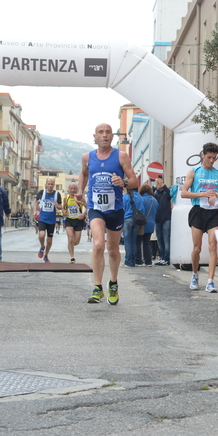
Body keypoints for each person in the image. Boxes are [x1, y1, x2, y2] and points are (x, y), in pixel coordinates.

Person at [77, 123, 138, 305]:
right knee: (97, 245)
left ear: (113, 136)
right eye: (101, 132)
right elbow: (83, 174)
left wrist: (124, 182)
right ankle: (97, 287)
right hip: (96, 208)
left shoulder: (121, 156)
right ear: (94, 136)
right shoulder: (87, 157)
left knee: (112, 250)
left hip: (116, 209)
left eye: (108, 132)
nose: (104, 135)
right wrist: (80, 190)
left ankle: (113, 282)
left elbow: (135, 180)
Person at [180, 142, 218, 293]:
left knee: (213, 245)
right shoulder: (194, 172)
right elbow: (184, 193)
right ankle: (195, 275)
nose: (211, 160)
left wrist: (217, 195)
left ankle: (210, 281)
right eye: (209, 157)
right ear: (202, 155)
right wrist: (202, 194)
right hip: (198, 211)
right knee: (197, 248)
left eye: (214, 158)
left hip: (214, 211)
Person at [35, 177, 62, 263]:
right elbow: (35, 200)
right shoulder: (42, 193)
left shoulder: (57, 194)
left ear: (54, 185)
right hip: (42, 218)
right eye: (48, 184)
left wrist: (58, 206)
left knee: (49, 240)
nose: (50, 185)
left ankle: (46, 255)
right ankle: (42, 246)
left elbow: (61, 206)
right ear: (46, 184)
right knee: (42, 235)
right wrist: (34, 211)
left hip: (51, 220)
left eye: (51, 184)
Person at [64, 182, 87, 264]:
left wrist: (83, 214)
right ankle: (72, 257)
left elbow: (87, 207)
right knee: (70, 238)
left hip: (78, 221)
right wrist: (63, 212)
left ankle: (71, 244)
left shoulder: (80, 198)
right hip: (69, 220)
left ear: (77, 189)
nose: (73, 190)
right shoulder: (66, 198)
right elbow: (63, 208)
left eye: (74, 189)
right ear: (69, 189)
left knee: (76, 242)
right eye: (71, 188)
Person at [122, 187, 144, 267]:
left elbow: (122, 209)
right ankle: (133, 261)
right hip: (137, 220)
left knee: (127, 241)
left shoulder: (125, 197)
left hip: (127, 219)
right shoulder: (140, 198)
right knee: (134, 241)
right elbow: (142, 210)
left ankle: (128, 261)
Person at [137, 184, 159, 266]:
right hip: (150, 223)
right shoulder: (154, 200)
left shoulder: (140, 199)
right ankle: (148, 261)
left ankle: (138, 260)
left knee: (138, 242)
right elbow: (156, 211)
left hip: (141, 223)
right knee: (147, 243)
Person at [153, 176, 172, 265]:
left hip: (166, 218)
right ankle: (162, 257)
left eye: (160, 182)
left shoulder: (166, 193)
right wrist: (154, 186)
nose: (159, 184)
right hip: (157, 219)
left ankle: (166, 258)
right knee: (159, 239)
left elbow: (171, 194)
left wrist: (163, 186)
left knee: (166, 239)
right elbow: (150, 195)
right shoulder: (155, 193)